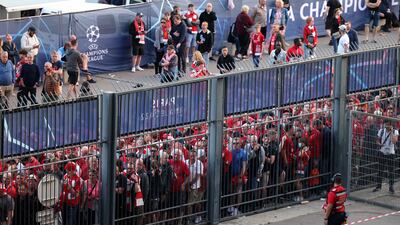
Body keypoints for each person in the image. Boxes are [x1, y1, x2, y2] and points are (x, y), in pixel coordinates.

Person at [374, 121, 398, 194]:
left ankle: (391, 187)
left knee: (391, 171)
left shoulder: (395, 131)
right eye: (386, 124)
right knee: (380, 170)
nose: (387, 126)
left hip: (391, 153)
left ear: (391, 125)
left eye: (388, 124)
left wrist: (391, 133)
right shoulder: (381, 131)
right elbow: (377, 140)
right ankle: (378, 186)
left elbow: (394, 141)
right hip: (382, 152)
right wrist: (379, 144)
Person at [185, 151, 204, 224]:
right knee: (189, 203)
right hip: (186, 185)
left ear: (196, 156)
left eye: (194, 156)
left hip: (195, 186)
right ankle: (189, 218)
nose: (192, 157)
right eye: (191, 156)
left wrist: (189, 184)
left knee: (191, 204)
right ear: (189, 156)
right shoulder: (186, 162)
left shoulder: (199, 163)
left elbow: (197, 176)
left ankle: (192, 219)